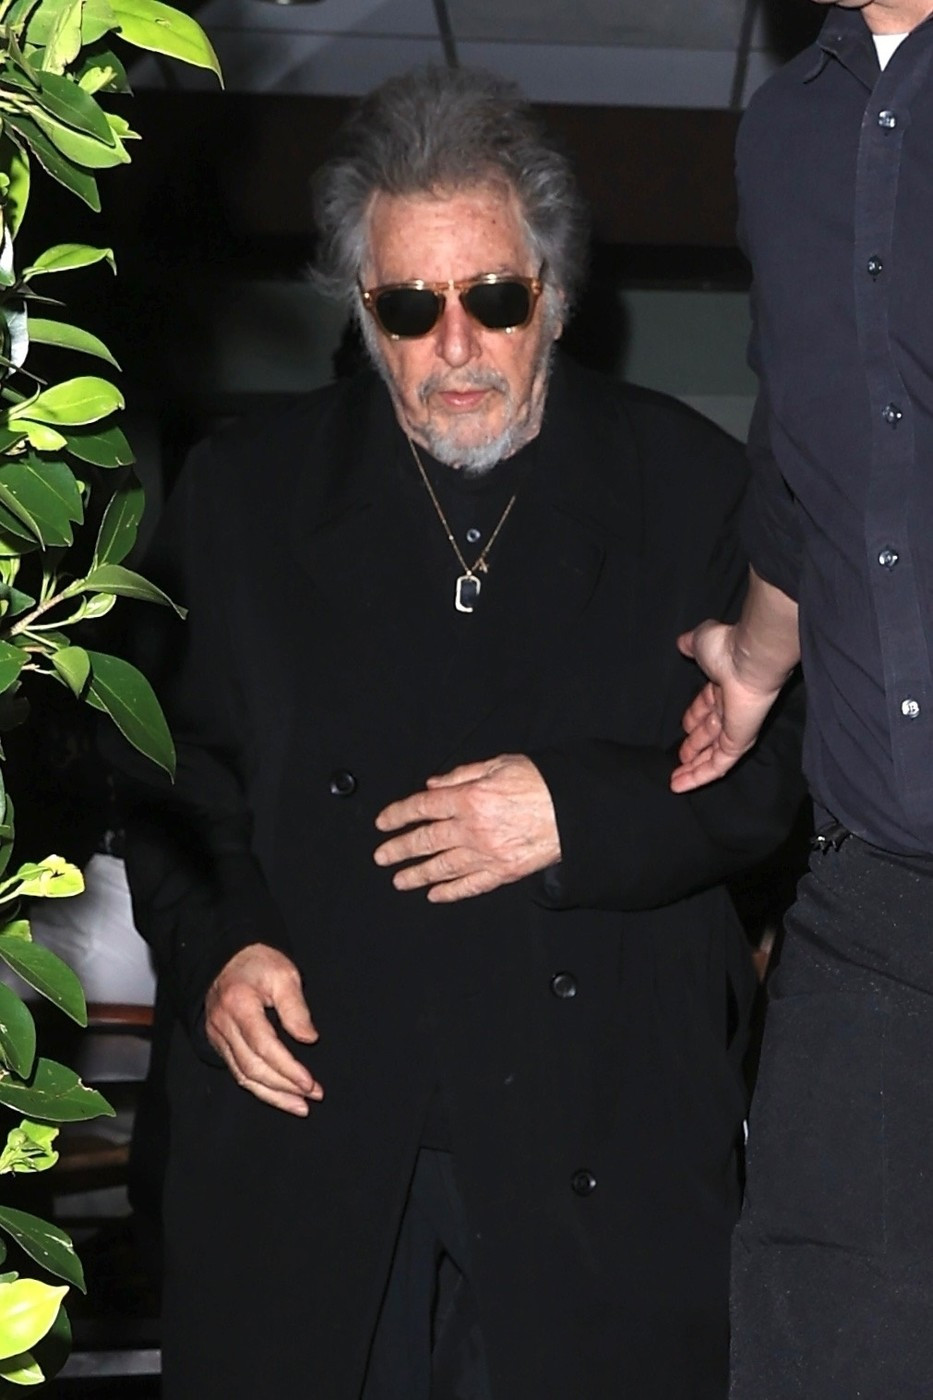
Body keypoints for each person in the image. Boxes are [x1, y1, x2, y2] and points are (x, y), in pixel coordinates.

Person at [117, 67, 804, 1400]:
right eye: (407, 307)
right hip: (322, 1135)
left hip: (592, 1139)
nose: (455, 347)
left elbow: (771, 780)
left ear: (556, 295)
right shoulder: (246, 497)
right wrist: (221, 948)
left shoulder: (689, 488)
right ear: (359, 310)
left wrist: (575, 813)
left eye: (493, 299)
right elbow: (167, 771)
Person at [670, 3, 933, 1396]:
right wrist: (759, 660)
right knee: (813, 1350)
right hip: (875, 894)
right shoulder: (786, 129)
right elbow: (811, 447)